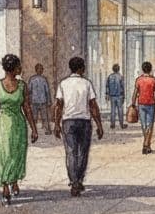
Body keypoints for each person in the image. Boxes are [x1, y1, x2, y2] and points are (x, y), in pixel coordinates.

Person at [0, 54, 38, 204]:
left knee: (17, 154)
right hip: (2, 123)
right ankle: (5, 186)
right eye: (18, 66)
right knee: (3, 155)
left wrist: (33, 128)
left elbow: (27, 108)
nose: (20, 69)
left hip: (18, 124)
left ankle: (14, 180)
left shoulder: (22, 86)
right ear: (12, 68)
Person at [54, 56, 104, 197]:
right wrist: (99, 124)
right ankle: (79, 179)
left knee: (71, 152)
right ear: (81, 68)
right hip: (84, 121)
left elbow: (58, 105)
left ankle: (74, 181)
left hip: (68, 121)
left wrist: (57, 124)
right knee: (83, 152)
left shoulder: (63, 84)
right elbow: (93, 105)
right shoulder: (87, 84)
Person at [132, 62, 155, 155]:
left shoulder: (138, 80)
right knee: (149, 125)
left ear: (143, 69)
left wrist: (132, 104)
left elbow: (135, 93)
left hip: (141, 104)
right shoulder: (153, 80)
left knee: (143, 125)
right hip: (151, 104)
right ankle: (146, 144)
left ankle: (146, 144)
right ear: (150, 69)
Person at [26, 63, 53, 135]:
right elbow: (29, 91)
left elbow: (47, 91)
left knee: (44, 117)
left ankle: (45, 130)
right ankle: (35, 130)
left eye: (41, 69)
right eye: (39, 69)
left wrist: (49, 100)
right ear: (36, 70)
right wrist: (28, 100)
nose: (41, 70)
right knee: (35, 117)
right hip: (36, 101)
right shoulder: (36, 79)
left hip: (40, 101)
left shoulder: (40, 79)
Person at [105, 64, 126, 129]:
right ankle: (121, 124)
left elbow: (107, 86)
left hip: (112, 96)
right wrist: (123, 95)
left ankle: (112, 124)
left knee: (113, 110)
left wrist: (107, 94)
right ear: (118, 69)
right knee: (120, 110)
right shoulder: (120, 77)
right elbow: (122, 86)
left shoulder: (109, 76)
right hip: (119, 95)